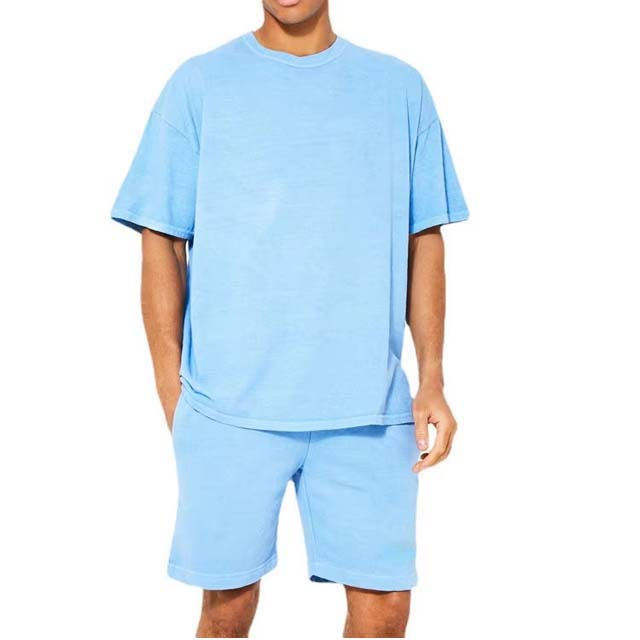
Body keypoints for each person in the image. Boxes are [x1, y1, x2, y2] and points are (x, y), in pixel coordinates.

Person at [111, 0, 468, 636]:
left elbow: (425, 238)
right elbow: (160, 236)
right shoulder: (199, 85)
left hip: (368, 407)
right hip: (228, 407)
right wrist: (171, 387)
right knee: (227, 609)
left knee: (385, 608)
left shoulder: (399, 88)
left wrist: (433, 376)